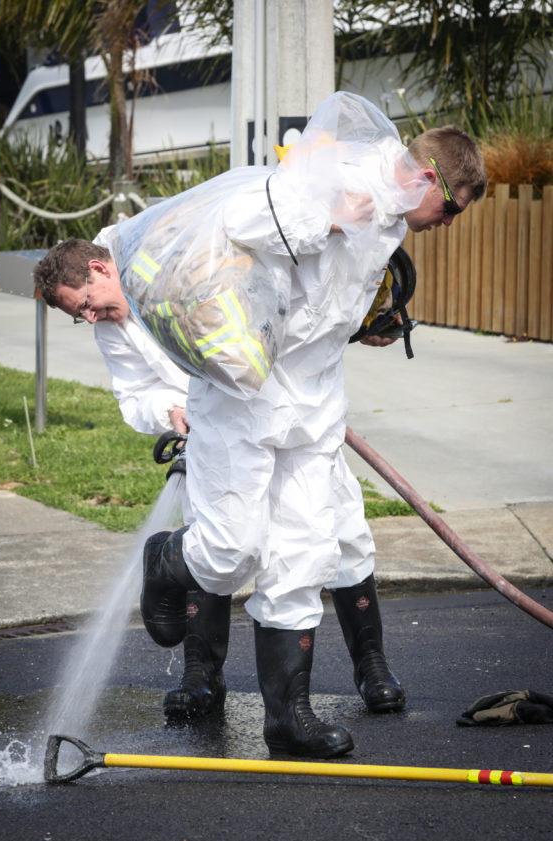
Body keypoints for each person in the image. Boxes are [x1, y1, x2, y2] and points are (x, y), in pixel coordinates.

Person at [35, 92, 486, 758]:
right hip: (245, 395)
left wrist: (371, 321)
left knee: (305, 550)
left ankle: (288, 718)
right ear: (427, 177)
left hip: (314, 400)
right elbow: (249, 215)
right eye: (449, 207)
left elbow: (325, 298)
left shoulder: (392, 213)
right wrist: (328, 218)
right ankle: (164, 559)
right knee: (231, 550)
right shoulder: (342, 176)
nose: (447, 222)